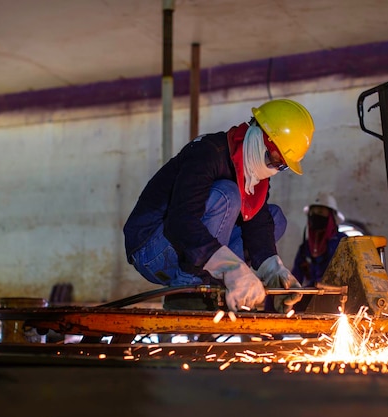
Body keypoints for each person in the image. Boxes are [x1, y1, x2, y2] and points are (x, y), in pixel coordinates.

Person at [123, 99, 315, 313]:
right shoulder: (209, 152)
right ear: (260, 136)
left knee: (274, 217)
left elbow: (257, 227)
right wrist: (232, 269)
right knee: (227, 194)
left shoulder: (255, 174)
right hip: (151, 248)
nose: (273, 169)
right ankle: (188, 288)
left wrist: (274, 272)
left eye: (282, 166)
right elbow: (181, 221)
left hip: (185, 251)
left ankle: (208, 285)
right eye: (274, 158)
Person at [291, 192, 347, 311]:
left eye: (321, 213)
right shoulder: (305, 248)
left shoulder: (344, 243)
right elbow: (295, 279)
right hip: (312, 299)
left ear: (331, 217)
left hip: (339, 300)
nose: (316, 216)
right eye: (313, 213)